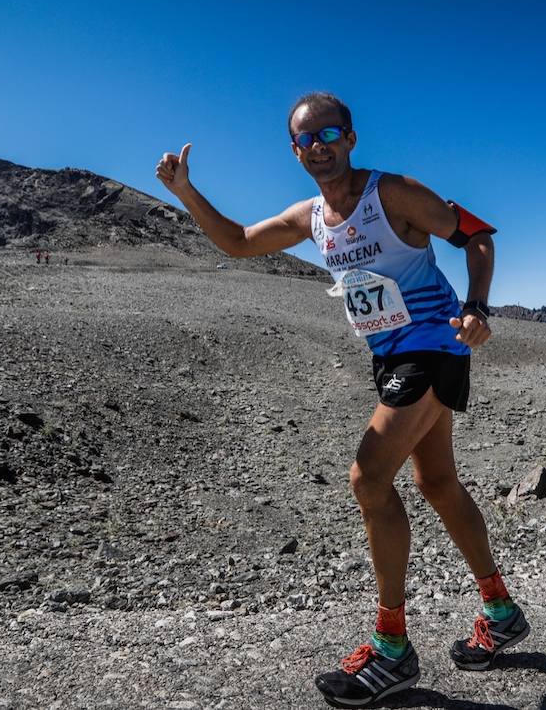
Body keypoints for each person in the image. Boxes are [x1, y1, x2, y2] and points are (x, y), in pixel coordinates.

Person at [155, 92, 527, 707]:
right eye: (303, 140)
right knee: (436, 483)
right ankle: (501, 608)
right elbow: (240, 242)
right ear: (295, 151)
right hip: (389, 357)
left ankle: (392, 649)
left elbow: (477, 235)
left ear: (350, 138)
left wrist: (477, 306)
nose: (316, 147)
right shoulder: (311, 218)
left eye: (327, 134)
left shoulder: (394, 195)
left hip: (433, 346)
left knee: (368, 478)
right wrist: (186, 193)